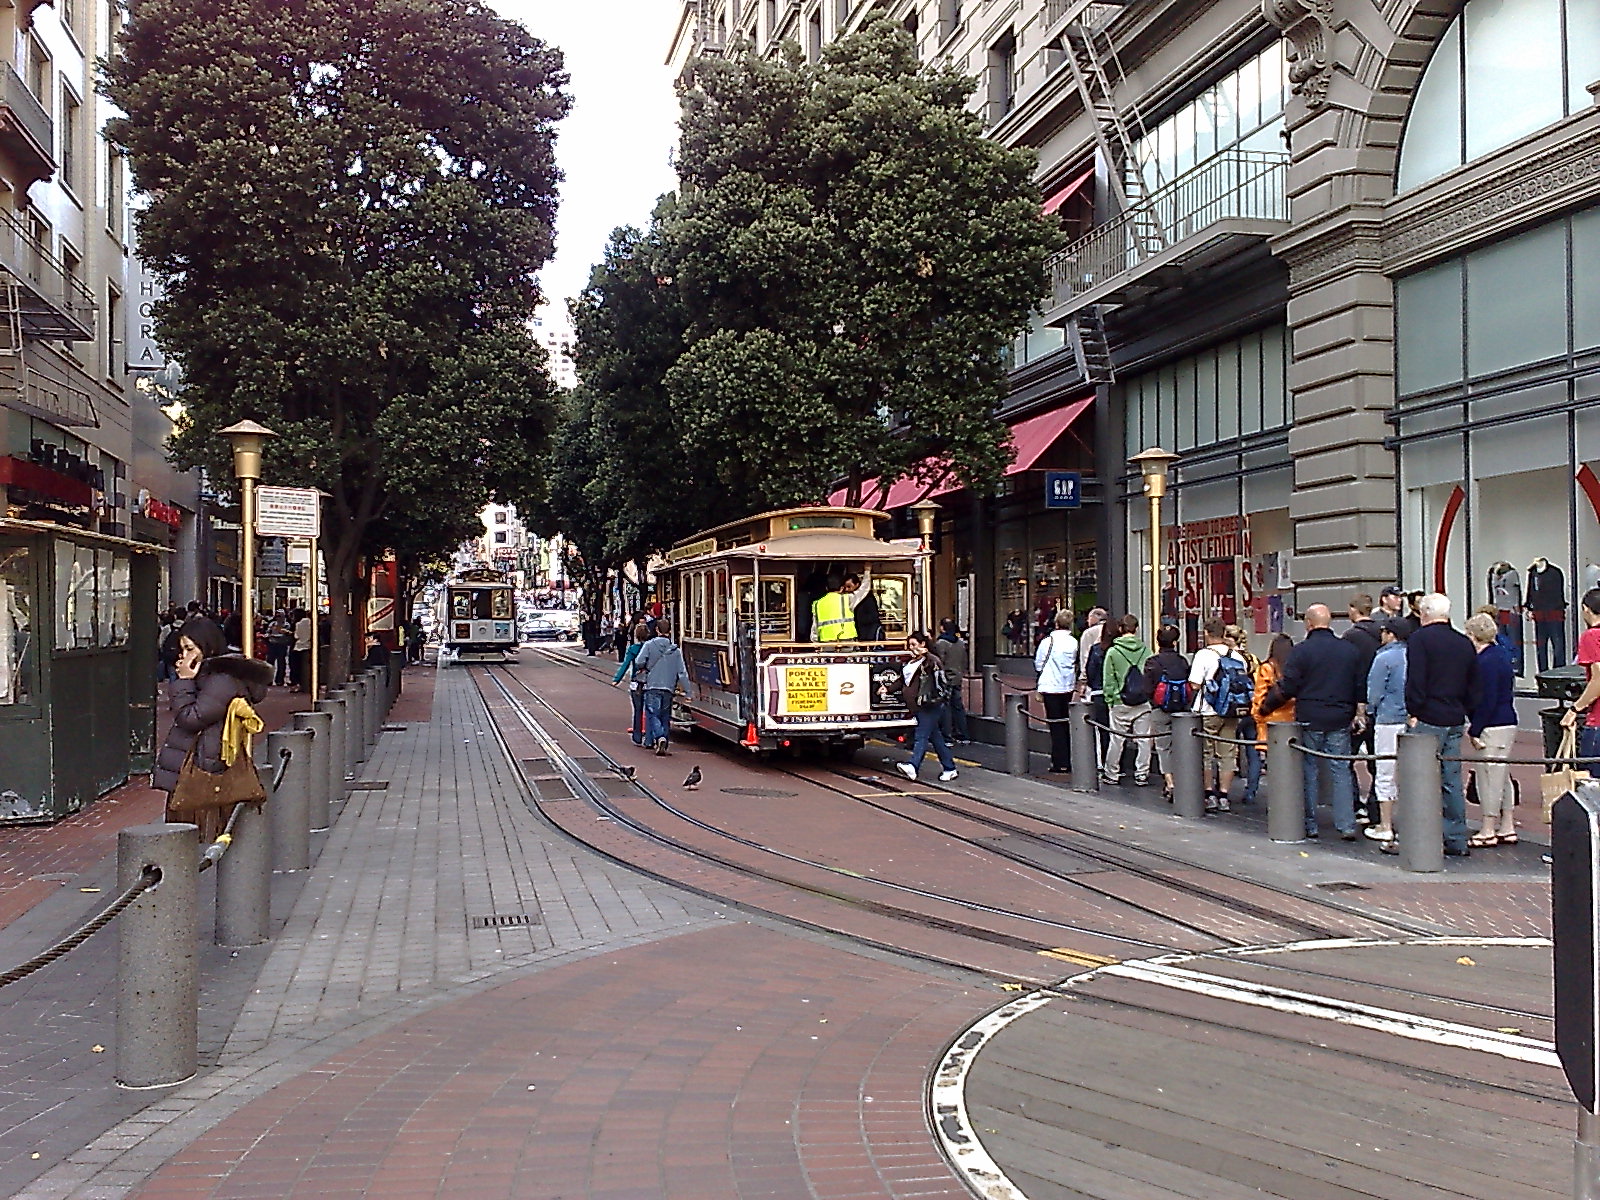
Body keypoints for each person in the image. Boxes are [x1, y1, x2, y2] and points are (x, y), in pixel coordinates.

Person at [151, 616, 273, 842]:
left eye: (190, 649)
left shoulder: (221, 681)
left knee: (194, 835)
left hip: (204, 769)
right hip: (201, 763)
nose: (184, 655)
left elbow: (191, 718)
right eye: (182, 649)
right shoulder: (209, 676)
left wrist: (183, 682)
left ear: (206, 646)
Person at [1267, 604, 1363, 840]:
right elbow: (1359, 685)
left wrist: (1268, 705)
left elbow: (1290, 686)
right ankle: (1346, 824)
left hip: (1310, 715)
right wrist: (1357, 711)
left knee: (1309, 769)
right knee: (1341, 769)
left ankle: (1310, 823)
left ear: (1308, 623)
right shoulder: (1348, 650)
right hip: (1340, 716)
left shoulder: (1301, 651)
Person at [1402, 592, 1480, 857]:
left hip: (1428, 715)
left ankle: (1419, 836)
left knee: (1419, 779)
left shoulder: (1419, 639)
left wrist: (1414, 710)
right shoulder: (1463, 642)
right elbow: (1473, 684)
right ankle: (1456, 837)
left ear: (1425, 613)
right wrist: (1468, 712)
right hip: (1455, 716)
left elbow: (1416, 679)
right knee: (1451, 780)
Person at [1464, 612, 1518, 847]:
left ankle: (1488, 828)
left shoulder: (1485, 662)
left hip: (1492, 724)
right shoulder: (1500, 655)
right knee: (1502, 775)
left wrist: (1475, 729)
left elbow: (1487, 700)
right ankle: (1507, 825)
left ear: (1473, 635)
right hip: (1506, 720)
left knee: (1488, 777)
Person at [1188, 619, 1251, 813]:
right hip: (1231, 711)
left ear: (1207, 633)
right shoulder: (1237, 656)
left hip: (1209, 710)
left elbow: (1195, 684)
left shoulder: (1203, 655)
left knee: (1206, 753)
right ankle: (1224, 795)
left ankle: (1209, 794)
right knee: (1228, 753)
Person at [1362, 619, 1409, 843]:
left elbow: (1374, 693)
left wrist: (1369, 711)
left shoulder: (1383, 658)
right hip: (1410, 719)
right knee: (1410, 773)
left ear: (1390, 634)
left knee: (1385, 772)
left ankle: (1385, 824)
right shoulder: (1412, 655)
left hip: (1387, 718)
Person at [896, 631, 958, 782]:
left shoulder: (930, 660)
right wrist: (888, 688)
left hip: (930, 704)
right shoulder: (912, 661)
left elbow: (937, 670)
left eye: (914, 644)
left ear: (923, 644)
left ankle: (913, 765)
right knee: (935, 737)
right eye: (909, 645)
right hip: (919, 706)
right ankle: (950, 768)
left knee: (921, 735)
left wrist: (926, 654)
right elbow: (903, 680)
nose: (911, 648)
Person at [1101, 615, 1154, 787]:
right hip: (1142, 701)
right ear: (1136, 629)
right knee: (1144, 739)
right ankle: (1142, 774)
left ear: (1121, 629)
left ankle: (1112, 773)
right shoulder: (1146, 651)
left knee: (1117, 739)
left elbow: (1108, 680)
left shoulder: (1113, 652)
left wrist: (1111, 699)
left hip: (1120, 701)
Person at [1343, 594, 1383, 820]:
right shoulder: (1382, 634)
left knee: (1346, 758)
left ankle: (1355, 804)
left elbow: (1349, 672)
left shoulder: (1351, 637)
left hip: (1355, 704)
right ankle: (1376, 807)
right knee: (1377, 760)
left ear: (1353, 609)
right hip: (1379, 705)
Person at [1142, 625, 1189, 802]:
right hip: (1182, 711)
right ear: (1175, 642)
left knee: (1163, 747)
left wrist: (1154, 702)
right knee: (1181, 746)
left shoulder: (1152, 662)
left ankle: (1170, 782)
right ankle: (1182, 779)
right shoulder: (1182, 661)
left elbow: (1147, 688)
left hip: (1160, 709)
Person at [1250, 633, 1297, 804]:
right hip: (1292, 723)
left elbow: (1259, 697)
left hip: (1271, 724)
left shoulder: (1267, 668)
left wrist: (1258, 717)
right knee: (1291, 769)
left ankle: (1278, 804)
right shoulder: (1295, 669)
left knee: (1274, 769)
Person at [633, 617, 690, 755]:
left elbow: (639, 661)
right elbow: (682, 672)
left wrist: (644, 667)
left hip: (652, 685)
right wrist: (688, 692)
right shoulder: (676, 650)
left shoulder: (649, 645)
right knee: (665, 716)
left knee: (653, 713)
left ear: (657, 630)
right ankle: (663, 741)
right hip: (669, 687)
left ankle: (660, 736)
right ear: (669, 631)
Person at [1033, 609, 1078, 773]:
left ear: (1056, 623)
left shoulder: (1048, 641)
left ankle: (1059, 761)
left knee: (1054, 724)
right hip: (1067, 686)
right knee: (1065, 722)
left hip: (1050, 686)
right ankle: (1067, 758)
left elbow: (1039, 663)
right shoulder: (1073, 642)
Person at [1226, 625, 1262, 804]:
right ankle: (1251, 791)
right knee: (1253, 751)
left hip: (1232, 709)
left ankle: (1223, 790)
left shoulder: (1228, 660)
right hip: (1251, 708)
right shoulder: (1253, 658)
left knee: (1226, 750)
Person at [1567, 589, 1600, 769]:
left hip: (1598, 720)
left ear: (1586, 609)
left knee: (1591, 779)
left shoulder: (1591, 636)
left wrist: (1575, 708)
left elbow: (1598, 679)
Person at [611, 621, 652, 746]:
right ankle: (649, 737)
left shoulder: (633, 649)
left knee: (637, 710)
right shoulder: (652, 648)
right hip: (650, 682)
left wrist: (617, 679)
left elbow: (625, 664)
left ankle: (637, 736)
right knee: (649, 710)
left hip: (636, 682)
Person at [932, 618, 970, 744]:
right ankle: (964, 735)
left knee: (946, 707)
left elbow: (939, 661)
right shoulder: (960, 643)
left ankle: (947, 736)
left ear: (942, 628)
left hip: (946, 679)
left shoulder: (941, 643)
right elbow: (964, 661)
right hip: (957, 678)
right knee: (958, 706)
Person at [1072, 607, 1107, 702]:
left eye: (1089, 618)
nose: (1087, 621)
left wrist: (1083, 680)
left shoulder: (1088, 633)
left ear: (1093, 618)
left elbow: (1085, 657)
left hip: (1093, 678)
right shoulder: (1112, 630)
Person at [812, 574, 857, 643]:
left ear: (826, 588)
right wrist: (867, 572)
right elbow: (863, 591)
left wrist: (815, 641)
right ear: (842, 588)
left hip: (826, 642)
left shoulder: (817, 603)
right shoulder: (848, 598)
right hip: (846, 641)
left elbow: (815, 627)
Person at [845, 573, 882, 642]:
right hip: (859, 631)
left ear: (857, 585)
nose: (846, 589)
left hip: (870, 632)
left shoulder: (866, 598)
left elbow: (873, 616)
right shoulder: (846, 597)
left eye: (849, 586)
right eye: (845, 587)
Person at [265, 609, 294, 686]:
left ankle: (279, 680)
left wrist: (281, 633)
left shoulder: (286, 625)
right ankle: (268, 680)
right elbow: (268, 632)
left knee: (281, 662)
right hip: (272, 644)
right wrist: (268, 635)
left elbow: (287, 634)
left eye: (280, 616)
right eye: (277, 616)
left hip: (282, 645)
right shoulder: (272, 624)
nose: (278, 618)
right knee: (270, 662)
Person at [290, 608, 312, 692]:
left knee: (296, 667)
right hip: (308, 646)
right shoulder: (311, 622)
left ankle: (296, 684)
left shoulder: (298, 624)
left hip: (298, 646)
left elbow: (296, 636)